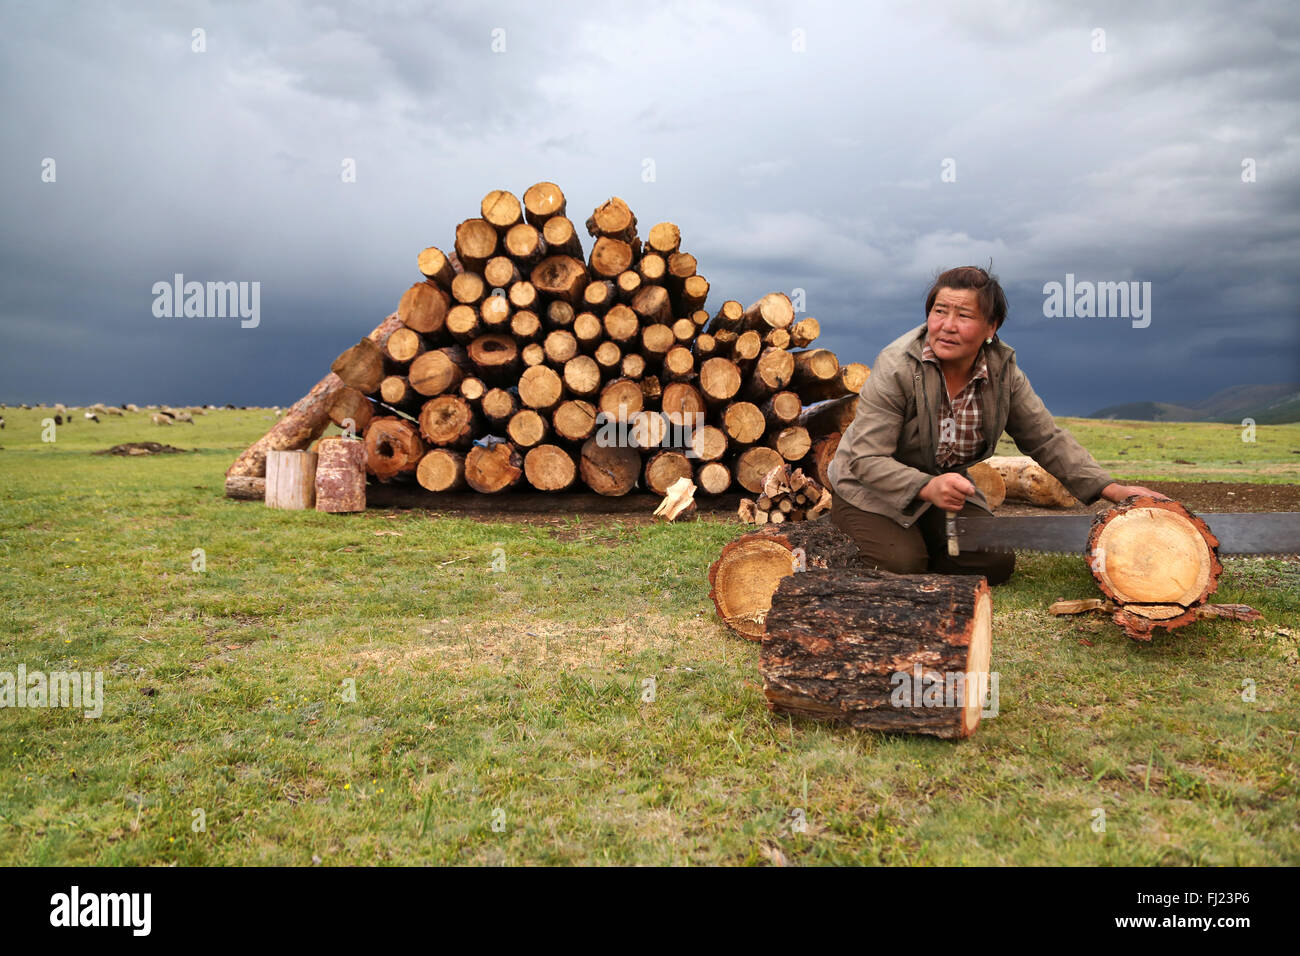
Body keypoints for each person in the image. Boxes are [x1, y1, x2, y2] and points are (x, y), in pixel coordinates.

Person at [827, 265, 1167, 585]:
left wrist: (1111, 489)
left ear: (992, 327)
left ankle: (920, 537)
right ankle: (863, 533)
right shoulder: (897, 367)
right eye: (939, 311)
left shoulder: (1003, 374)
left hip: (945, 490)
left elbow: (1046, 438)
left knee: (992, 562)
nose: (947, 325)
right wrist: (924, 487)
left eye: (964, 315)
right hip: (870, 488)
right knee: (900, 565)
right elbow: (867, 459)